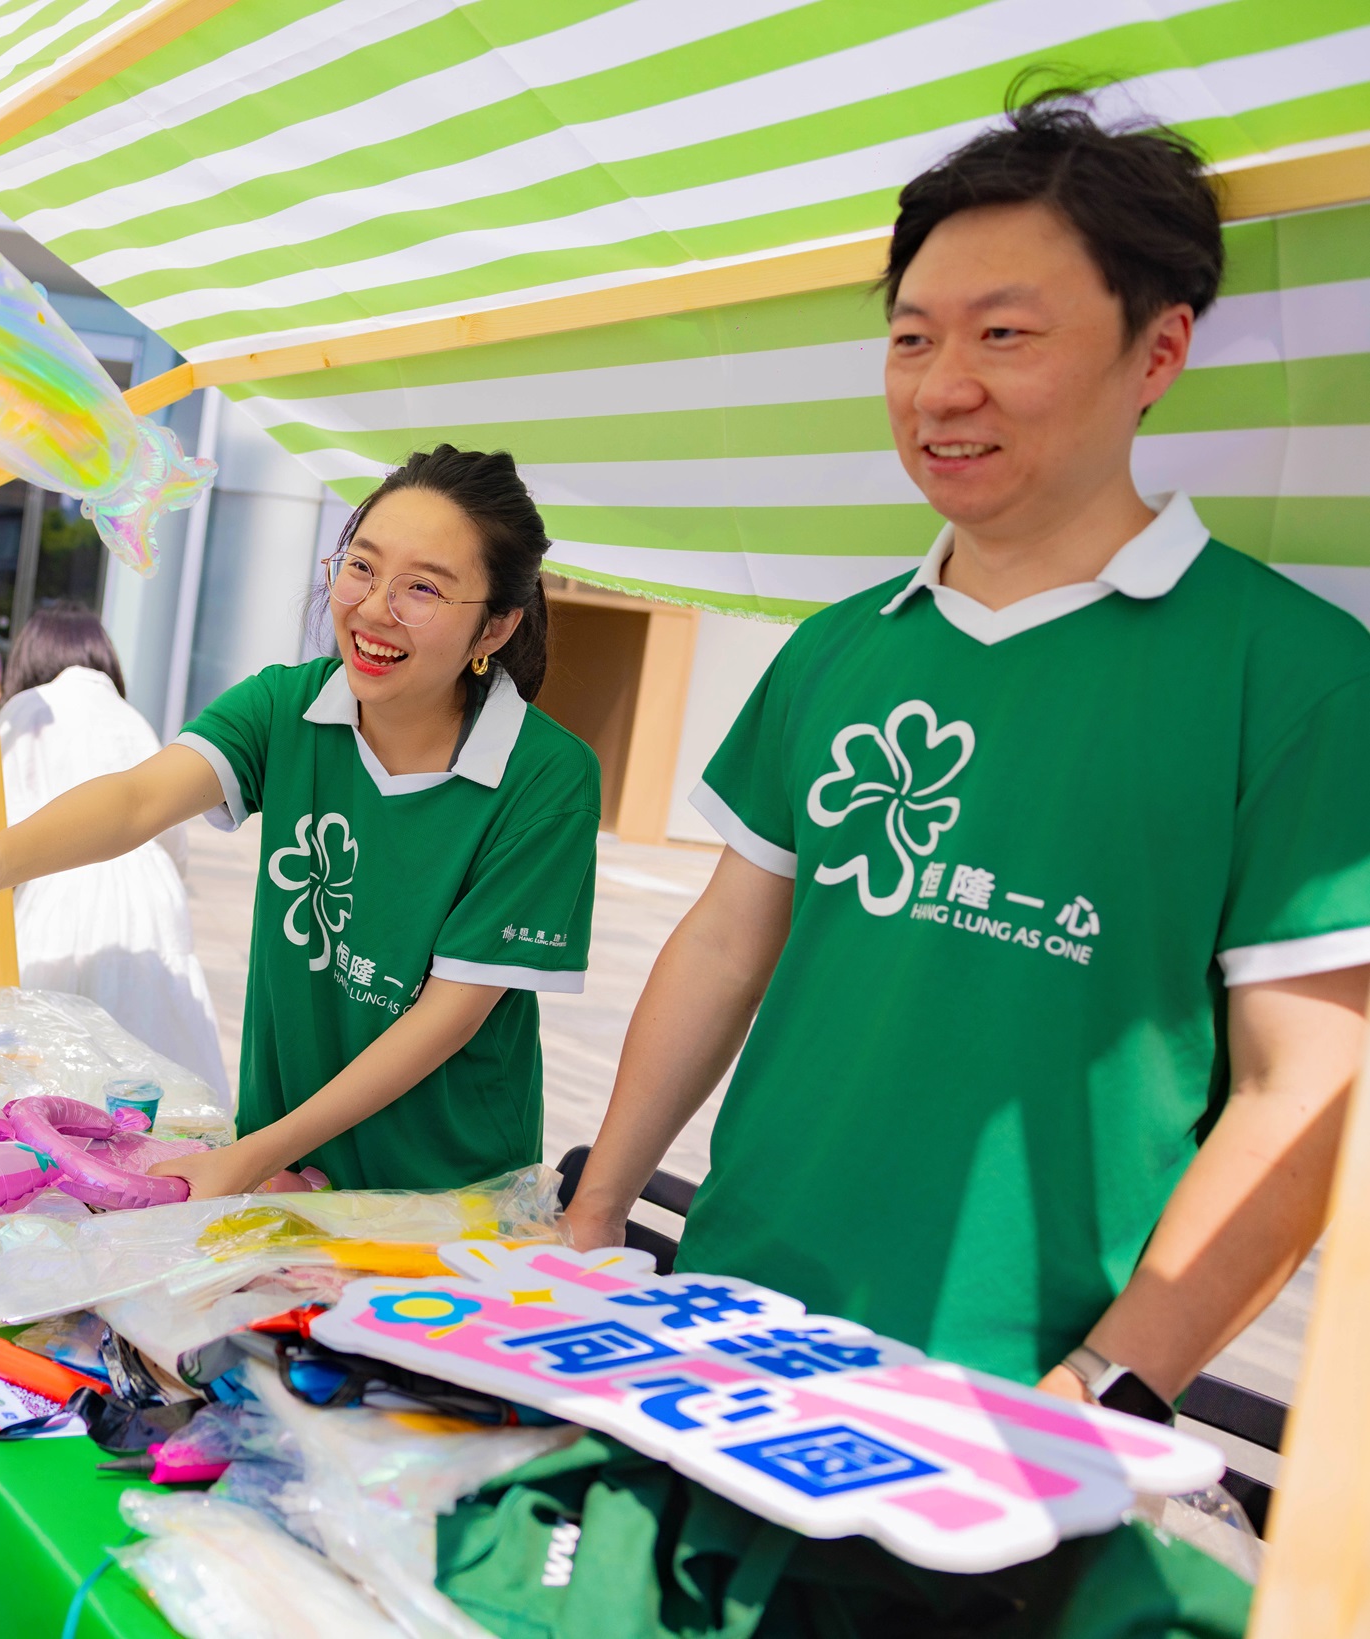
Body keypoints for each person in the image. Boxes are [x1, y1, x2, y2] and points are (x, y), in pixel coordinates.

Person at [569, 93, 1370, 1408]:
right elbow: (723, 944)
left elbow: (1305, 1082)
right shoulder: (837, 648)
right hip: (720, 1326)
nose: (944, 387)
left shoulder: (1294, 677)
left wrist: (1110, 1382)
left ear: (1156, 350)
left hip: (1014, 1403)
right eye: (910, 338)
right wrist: (596, 1210)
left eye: (1005, 334)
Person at [0, 446, 600, 1196]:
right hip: (288, 1174)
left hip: (448, 1199)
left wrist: (252, 1156)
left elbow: (447, 1019)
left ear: (494, 629)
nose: (370, 609)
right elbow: (138, 798)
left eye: (422, 588)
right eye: (361, 567)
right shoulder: (287, 705)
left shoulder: (545, 778)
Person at [0, 604, 228, 1095]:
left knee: (45, 1053)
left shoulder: (29, 708)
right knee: (154, 1052)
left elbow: (1, 822)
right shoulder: (132, 717)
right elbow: (170, 831)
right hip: (151, 885)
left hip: (62, 875)